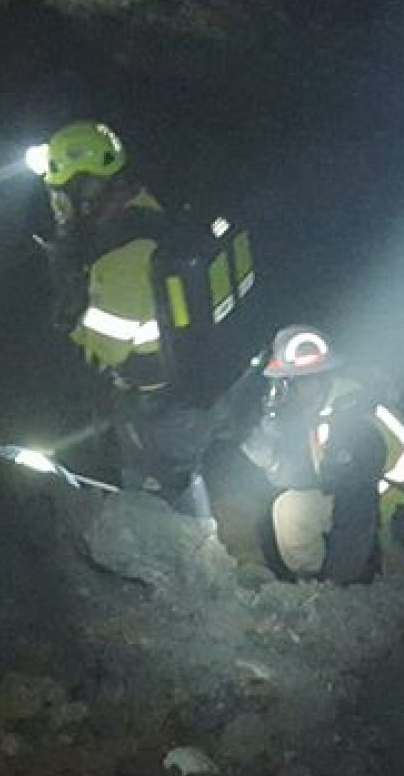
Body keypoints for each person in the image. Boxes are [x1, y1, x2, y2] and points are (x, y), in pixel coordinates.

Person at [29, 120, 256, 509]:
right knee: (179, 478)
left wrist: (72, 310)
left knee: (160, 497)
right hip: (192, 391)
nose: (58, 209)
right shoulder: (140, 209)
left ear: (86, 191)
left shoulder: (122, 259)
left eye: (61, 197)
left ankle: (187, 559)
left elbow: (108, 351)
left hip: (161, 408)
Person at [212, 325, 404, 584]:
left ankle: (341, 587)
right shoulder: (329, 406)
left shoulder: (352, 424)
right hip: (376, 502)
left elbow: (356, 511)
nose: (278, 394)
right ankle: (309, 580)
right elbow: (323, 475)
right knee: (291, 508)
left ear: (308, 382)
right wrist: (274, 462)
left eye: (284, 383)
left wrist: (339, 586)